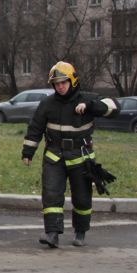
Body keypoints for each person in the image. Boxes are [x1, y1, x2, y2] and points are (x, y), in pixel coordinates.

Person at [22, 61, 118, 248]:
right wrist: (28, 152)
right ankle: (52, 234)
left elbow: (114, 107)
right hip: (54, 156)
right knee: (51, 195)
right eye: (57, 83)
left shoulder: (87, 99)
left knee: (82, 198)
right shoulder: (47, 104)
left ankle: (80, 231)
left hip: (81, 157)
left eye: (64, 82)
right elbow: (35, 128)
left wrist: (90, 106)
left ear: (72, 80)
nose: (60, 86)